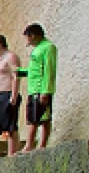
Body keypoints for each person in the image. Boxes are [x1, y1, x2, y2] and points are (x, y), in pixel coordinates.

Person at [17, 23, 58, 151]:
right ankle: (32, 144)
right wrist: (20, 72)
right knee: (32, 117)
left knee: (42, 117)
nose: (27, 41)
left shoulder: (48, 47)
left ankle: (36, 145)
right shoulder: (37, 49)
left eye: (27, 38)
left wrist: (45, 91)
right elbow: (34, 70)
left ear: (32, 36)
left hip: (41, 88)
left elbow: (49, 70)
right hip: (33, 88)